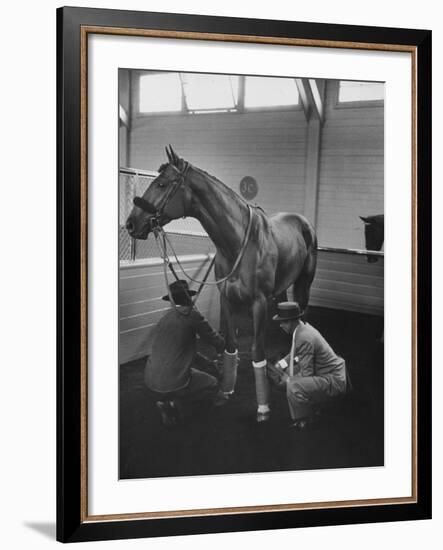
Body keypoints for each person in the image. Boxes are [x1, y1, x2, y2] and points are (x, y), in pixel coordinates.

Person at [144, 279, 227, 426]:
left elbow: (184, 353)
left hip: (150, 380)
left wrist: (209, 363)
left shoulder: (165, 318)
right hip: (173, 381)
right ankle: (176, 403)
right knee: (213, 384)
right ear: (188, 297)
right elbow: (215, 339)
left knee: (182, 369)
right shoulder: (192, 315)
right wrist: (225, 348)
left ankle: (167, 401)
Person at [267, 302, 351, 430]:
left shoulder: (303, 337)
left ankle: (304, 419)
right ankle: (309, 405)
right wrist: (281, 364)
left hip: (333, 380)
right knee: (292, 373)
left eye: (283, 322)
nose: (280, 325)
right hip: (327, 370)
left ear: (291, 321)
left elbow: (307, 374)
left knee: (293, 386)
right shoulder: (302, 328)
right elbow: (295, 355)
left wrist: (288, 380)